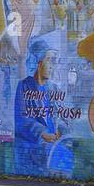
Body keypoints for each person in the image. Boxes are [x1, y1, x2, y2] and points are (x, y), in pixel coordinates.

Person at [14, 38, 64, 176]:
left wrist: (60, 130)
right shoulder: (24, 86)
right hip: (30, 151)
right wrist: (42, 133)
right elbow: (21, 120)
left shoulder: (53, 88)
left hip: (51, 150)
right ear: (39, 63)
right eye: (49, 61)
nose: (52, 66)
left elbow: (61, 114)